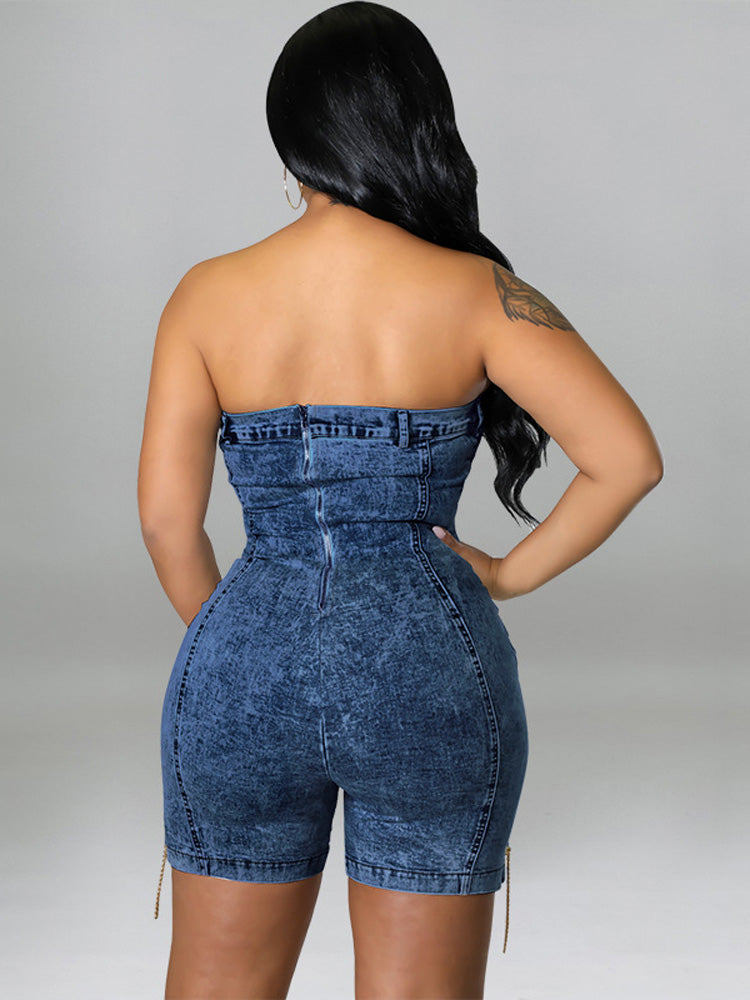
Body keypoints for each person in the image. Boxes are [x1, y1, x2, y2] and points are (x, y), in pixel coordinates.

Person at [137, 3, 664, 997]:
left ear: (292, 133)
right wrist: (505, 573)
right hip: (426, 662)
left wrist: (246, 645)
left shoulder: (205, 294)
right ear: (421, 124)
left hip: (242, 660)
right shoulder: (474, 291)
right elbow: (628, 460)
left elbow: (168, 522)